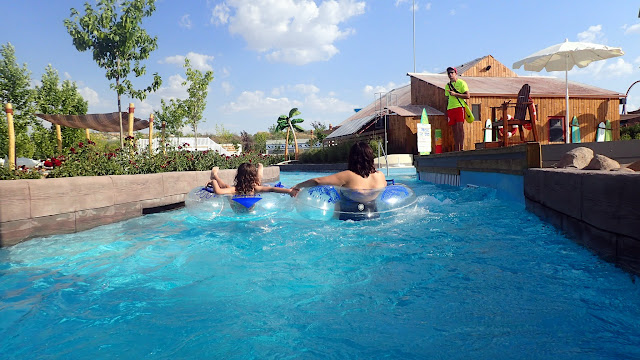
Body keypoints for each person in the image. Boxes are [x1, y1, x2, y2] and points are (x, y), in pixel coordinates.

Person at [291, 141, 387, 221]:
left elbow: (317, 181)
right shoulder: (380, 176)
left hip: (348, 221)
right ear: (371, 158)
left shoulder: (348, 176)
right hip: (374, 218)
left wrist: (297, 186)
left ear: (352, 158)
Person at [207, 163, 294, 197]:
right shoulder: (255, 188)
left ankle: (215, 176)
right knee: (258, 182)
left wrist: (213, 182)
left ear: (238, 175)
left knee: (227, 187)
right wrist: (289, 191)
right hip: (254, 183)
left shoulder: (235, 189)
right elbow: (272, 189)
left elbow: (272, 189)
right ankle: (214, 175)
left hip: (238, 209)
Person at [445, 66, 471, 151]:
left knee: (460, 127)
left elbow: (467, 96)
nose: (450, 74)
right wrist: (446, 111)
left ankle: (462, 147)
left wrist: (456, 94)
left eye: (452, 73)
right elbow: (446, 99)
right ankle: (457, 148)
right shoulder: (447, 86)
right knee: (454, 129)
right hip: (450, 108)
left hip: (459, 107)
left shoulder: (461, 83)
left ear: (456, 73)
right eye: (448, 73)